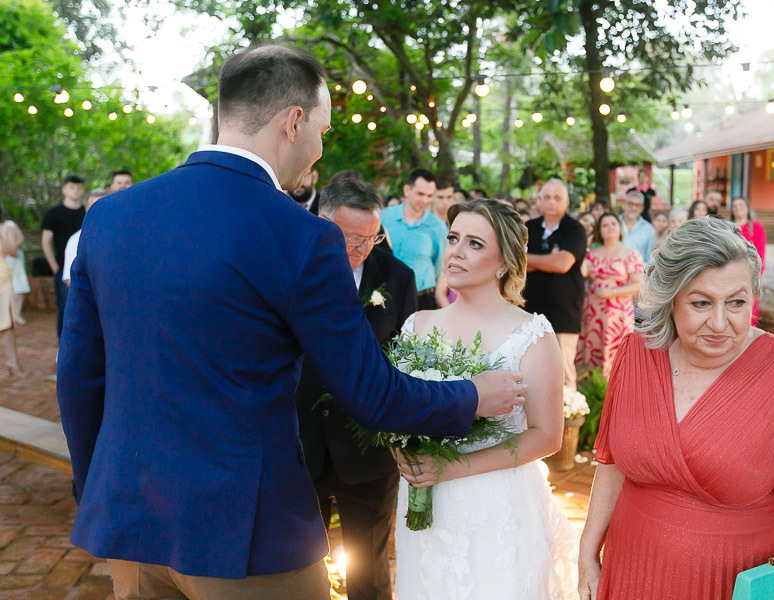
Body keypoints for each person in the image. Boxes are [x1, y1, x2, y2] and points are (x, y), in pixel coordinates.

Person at [58, 45, 528, 600]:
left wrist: (99, 493)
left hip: (129, 520)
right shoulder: (302, 237)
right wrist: (472, 396)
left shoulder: (110, 217)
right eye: (323, 131)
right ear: (294, 121)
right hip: (244, 535)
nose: (319, 150)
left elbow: (79, 380)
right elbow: (371, 394)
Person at [578, 218, 774, 600]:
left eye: (737, 302)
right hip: (633, 569)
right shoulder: (636, 353)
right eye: (701, 303)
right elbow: (613, 462)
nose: (720, 323)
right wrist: (588, 549)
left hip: (735, 579)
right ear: (669, 298)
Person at [394, 199, 578, 600]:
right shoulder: (418, 325)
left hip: (496, 505)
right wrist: (402, 452)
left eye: (474, 243)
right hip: (423, 499)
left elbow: (548, 436)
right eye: (454, 238)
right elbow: (396, 409)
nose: (456, 250)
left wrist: (454, 469)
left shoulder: (532, 335)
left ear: (503, 263)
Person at [296, 179, 416, 600]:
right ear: (322, 223)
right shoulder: (293, 266)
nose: (363, 248)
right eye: (351, 238)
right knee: (299, 570)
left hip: (369, 450)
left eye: (372, 237)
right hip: (300, 443)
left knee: (369, 571)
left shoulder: (398, 278)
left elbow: (407, 361)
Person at [524, 179, 586, 389]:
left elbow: (561, 264)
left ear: (566, 201)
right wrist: (547, 258)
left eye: (557, 197)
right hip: (529, 311)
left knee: (563, 374)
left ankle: (569, 420)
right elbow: (515, 263)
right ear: (539, 201)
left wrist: (531, 260)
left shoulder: (575, 229)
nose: (551, 201)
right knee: (529, 371)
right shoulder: (528, 228)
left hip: (564, 314)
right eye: (547, 197)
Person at [576, 214, 643, 377]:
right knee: (594, 346)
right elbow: (581, 272)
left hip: (618, 311)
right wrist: (585, 244)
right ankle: (593, 387)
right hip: (593, 310)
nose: (610, 227)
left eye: (613, 223)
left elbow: (637, 285)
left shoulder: (630, 254)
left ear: (619, 228)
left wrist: (611, 293)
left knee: (617, 350)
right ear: (599, 230)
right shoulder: (592, 253)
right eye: (605, 225)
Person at [381, 169, 447, 309]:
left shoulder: (437, 227)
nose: (425, 200)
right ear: (407, 190)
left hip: (421, 298)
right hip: (385, 296)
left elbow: (440, 265)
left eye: (430, 196)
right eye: (420, 194)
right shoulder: (384, 217)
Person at [41, 174, 85, 339]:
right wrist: (54, 266)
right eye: (72, 187)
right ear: (65, 189)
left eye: (79, 187)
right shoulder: (53, 213)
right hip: (62, 268)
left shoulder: (86, 211)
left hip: (85, 266)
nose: (76, 190)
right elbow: (45, 241)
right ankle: (63, 346)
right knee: (64, 307)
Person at [730, 196, 767, 327]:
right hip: (729, 276)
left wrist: (755, 277)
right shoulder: (728, 227)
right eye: (734, 206)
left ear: (747, 208)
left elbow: (761, 255)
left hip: (749, 276)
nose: (738, 209)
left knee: (749, 310)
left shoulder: (756, 228)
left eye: (741, 206)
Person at [61, 188, 108, 286]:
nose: (100, 211)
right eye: (94, 207)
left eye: (105, 206)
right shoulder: (76, 240)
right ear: (86, 210)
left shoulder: (124, 235)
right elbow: (71, 280)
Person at [0, 220, 24, 377]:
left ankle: (14, 365)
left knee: (7, 323)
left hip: (1, 277)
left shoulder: (6, 228)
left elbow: (13, 251)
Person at [1, 207, 28, 325]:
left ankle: (16, 315)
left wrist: (10, 246)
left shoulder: (9, 225)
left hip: (14, 259)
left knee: (18, 287)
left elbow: (20, 239)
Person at [618, 191, 655, 264]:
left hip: (639, 272)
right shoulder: (614, 224)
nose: (633, 207)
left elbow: (649, 258)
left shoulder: (648, 229)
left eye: (637, 205)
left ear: (642, 208)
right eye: (630, 203)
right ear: (624, 205)